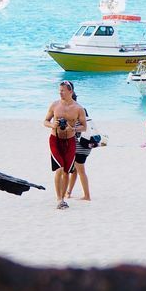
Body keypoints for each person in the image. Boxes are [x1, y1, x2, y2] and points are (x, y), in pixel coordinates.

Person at [43, 80, 85, 210]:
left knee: (67, 171)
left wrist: (73, 129)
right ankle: (59, 199)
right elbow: (45, 121)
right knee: (59, 169)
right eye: (59, 90)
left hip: (70, 141)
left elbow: (84, 127)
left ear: (70, 91)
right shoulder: (55, 105)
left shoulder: (78, 108)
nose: (60, 93)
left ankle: (63, 198)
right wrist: (52, 125)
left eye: (62, 90)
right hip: (55, 139)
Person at [73, 100, 105, 201]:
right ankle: (68, 192)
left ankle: (87, 196)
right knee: (75, 171)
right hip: (88, 147)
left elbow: (76, 133)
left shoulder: (77, 116)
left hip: (80, 148)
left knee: (81, 171)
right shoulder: (86, 114)